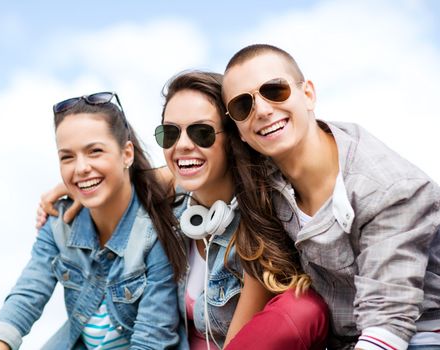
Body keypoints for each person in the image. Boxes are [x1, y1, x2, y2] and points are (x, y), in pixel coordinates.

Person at [37, 71, 329, 349]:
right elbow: (143, 180)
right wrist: (79, 187)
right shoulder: (173, 212)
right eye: (170, 134)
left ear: (232, 136)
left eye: (202, 133)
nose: (183, 145)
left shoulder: (257, 221)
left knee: (302, 307)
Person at [221, 43, 440, 350]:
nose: (263, 109)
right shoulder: (265, 175)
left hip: (413, 336)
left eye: (275, 90)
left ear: (308, 94)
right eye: (243, 105)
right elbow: (193, 165)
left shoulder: (389, 189)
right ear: (239, 130)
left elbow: (387, 328)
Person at [0, 92, 186, 349]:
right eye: (67, 156)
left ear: (127, 154)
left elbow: (151, 341)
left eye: (95, 151)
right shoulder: (59, 224)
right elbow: (24, 298)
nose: (80, 168)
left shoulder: (155, 230)